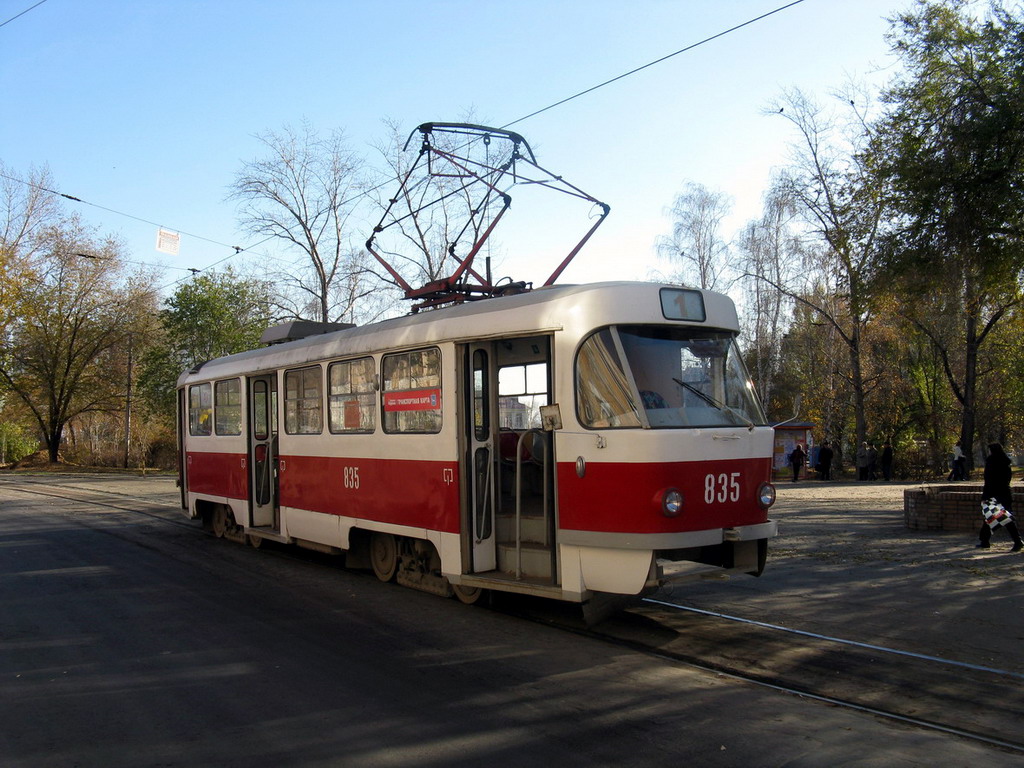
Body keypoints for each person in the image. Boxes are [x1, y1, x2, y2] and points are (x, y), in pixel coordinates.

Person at [977, 442, 1023, 552]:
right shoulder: (1005, 462)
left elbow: (988, 481)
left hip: (993, 494)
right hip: (1005, 493)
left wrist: (985, 495)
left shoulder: (991, 462)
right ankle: (985, 540)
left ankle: (1018, 541)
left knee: (1001, 518)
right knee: (991, 517)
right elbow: (1007, 479)